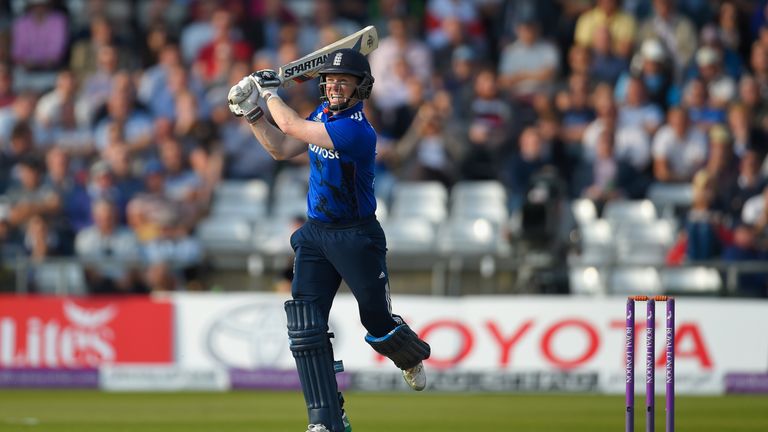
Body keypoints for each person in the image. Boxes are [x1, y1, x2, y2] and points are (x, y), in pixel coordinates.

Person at [227, 48, 431, 432]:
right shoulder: (321, 114)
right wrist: (251, 112)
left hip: (357, 236)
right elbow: (280, 147)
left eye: (343, 81)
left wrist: (267, 92)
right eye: (330, 81)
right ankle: (326, 417)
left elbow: (290, 126)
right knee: (306, 327)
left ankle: (408, 356)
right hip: (317, 233)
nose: (335, 87)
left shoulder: (357, 131)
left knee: (376, 320)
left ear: (360, 88)